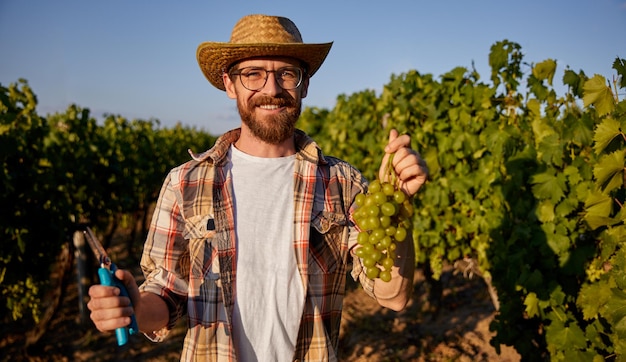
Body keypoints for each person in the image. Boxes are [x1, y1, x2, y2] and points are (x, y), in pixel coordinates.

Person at [87, 14, 428, 361]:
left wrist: (398, 209)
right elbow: (167, 294)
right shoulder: (185, 183)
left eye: (287, 73)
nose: (271, 88)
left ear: (304, 85)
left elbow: (393, 296)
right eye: (253, 74)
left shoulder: (343, 184)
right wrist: (133, 308)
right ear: (230, 84)